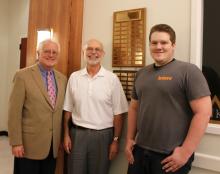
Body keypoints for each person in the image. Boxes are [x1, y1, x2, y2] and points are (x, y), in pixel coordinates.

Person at [125, 24, 212, 174]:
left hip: (170, 156)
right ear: (149, 45)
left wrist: (185, 152)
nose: (158, 47)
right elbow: (134, 108)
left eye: (164, 42)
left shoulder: (189, 71)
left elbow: (204, 113)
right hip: (139, 152)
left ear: (173, 45)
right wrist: (129, 139)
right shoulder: (142, 73)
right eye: (154, 43)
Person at [63, 39, 128, 174]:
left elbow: (119, 114)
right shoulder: (74, 77)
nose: (93, 52)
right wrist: (66, 135)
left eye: (97, 49)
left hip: (103, 137)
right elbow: (68, 109)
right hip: (77, 135)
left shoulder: (112, 79)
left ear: (103, 54)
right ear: (83, 53)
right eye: (89, 49)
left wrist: (115, 141)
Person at [8, 39, 67, 174]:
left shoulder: (62, 79)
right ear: (38, 53)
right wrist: (16, 142)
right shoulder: (22, 76)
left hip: (52, 146)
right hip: (28, 145)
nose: (51, 55)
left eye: (54, 52)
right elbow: (14, 112)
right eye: (47, 51)